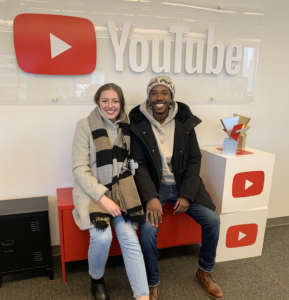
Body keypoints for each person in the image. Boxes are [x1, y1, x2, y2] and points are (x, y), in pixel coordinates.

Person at [129, 76, 224, 300]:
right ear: (149, 97)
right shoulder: (138, 125)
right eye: (154, 93)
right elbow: (139, 165)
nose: (159, 98)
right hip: (154, 188)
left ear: (171, 97)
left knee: (213, 220)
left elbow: (194, 160)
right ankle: (152, 281)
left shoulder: (185, 123)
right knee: (148, 231)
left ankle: (205, 272)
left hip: (183, 187)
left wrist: (188, 194)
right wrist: (150, 196)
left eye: (164, 93)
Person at [72, 83, 150, 300]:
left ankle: (142, 295)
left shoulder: (127, 126)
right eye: (105, 100)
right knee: (102, 237)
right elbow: (79, 168)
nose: (110, 105)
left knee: (129, 238)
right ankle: (96, 279)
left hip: (121, 192)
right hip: (93, 193)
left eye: (115, 101)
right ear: (98, 102)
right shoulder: (85, 125)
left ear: (121, 103)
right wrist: (104, 198)